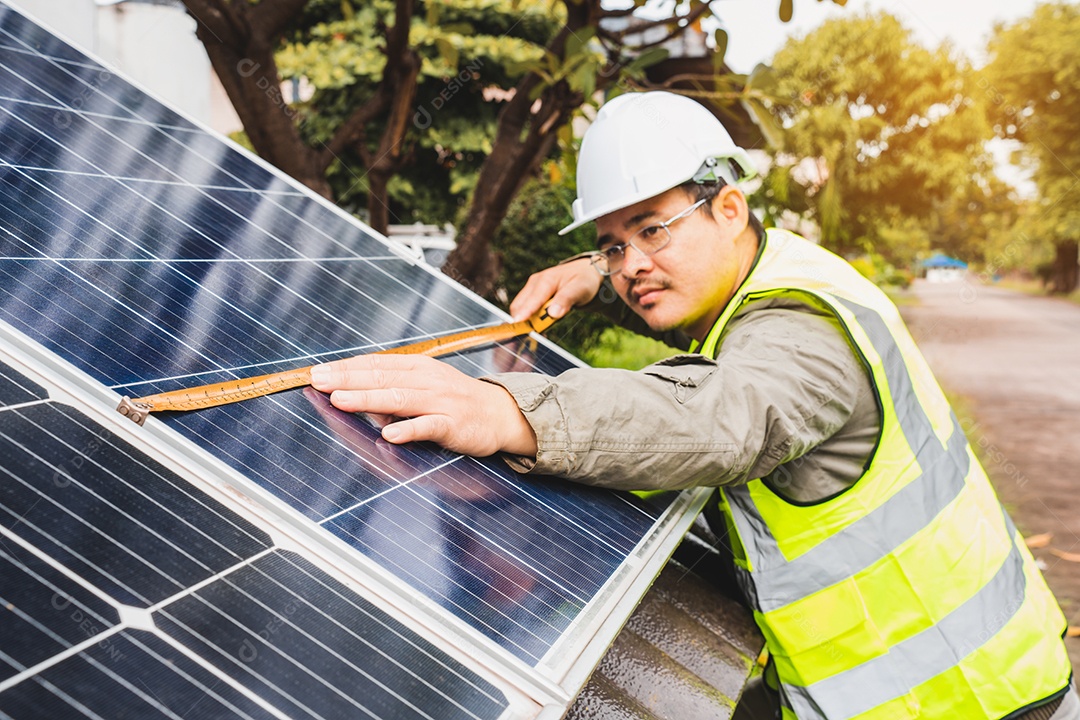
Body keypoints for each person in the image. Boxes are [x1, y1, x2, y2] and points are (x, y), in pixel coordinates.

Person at [309, 91, 1077, 719]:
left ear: (731, 210)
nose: (632, 266)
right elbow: (673, 292)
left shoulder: (802, 334)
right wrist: (593, 266)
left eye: (652, 230)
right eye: (614, 245)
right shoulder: (777, 272)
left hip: (973, 698)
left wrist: (515, 413)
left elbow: (717, 417)